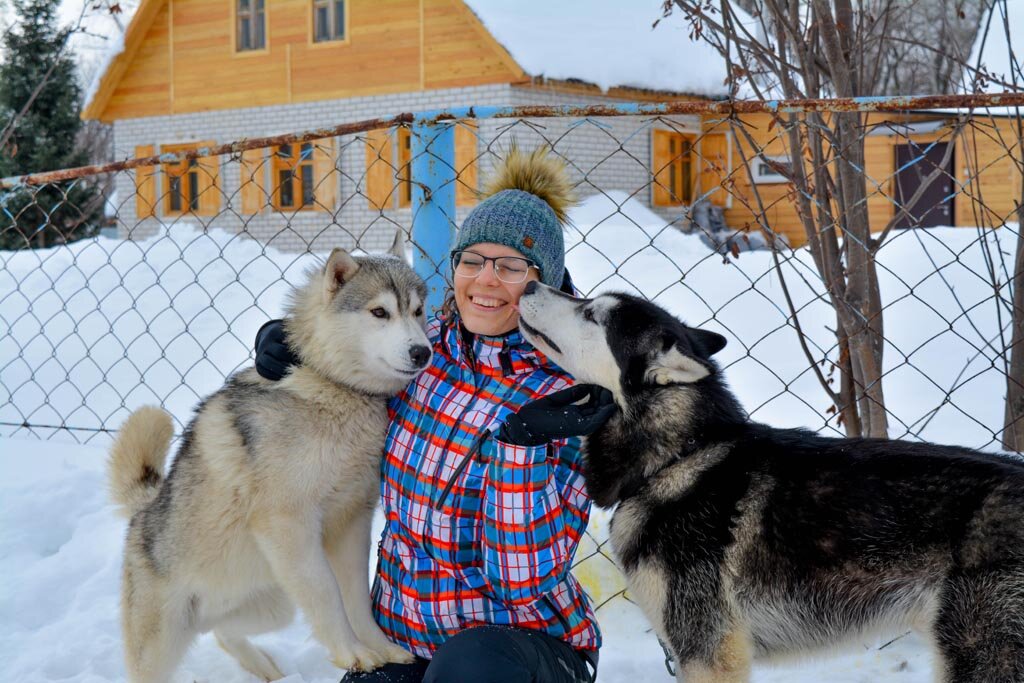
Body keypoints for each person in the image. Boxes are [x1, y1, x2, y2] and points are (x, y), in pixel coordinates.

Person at [255, 146, 615, 683]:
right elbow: (348, 351)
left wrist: (519, 452)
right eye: (472, 261)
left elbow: (520, 580)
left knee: (469, 670)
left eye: (512, 266)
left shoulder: (571, 392)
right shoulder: (425, 351)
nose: (486, 280)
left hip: (515, 649)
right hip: (404, 637)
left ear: (547, 283)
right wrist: (293, 345)